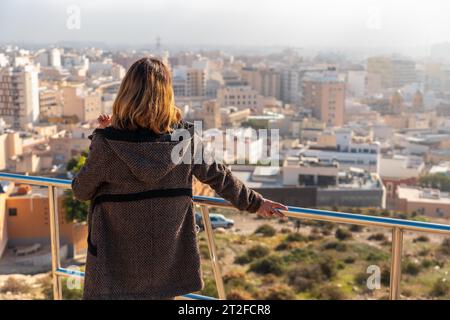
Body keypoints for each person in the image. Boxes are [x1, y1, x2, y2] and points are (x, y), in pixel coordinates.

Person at [71, 57, 287, 300]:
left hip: (115, 261)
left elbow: (81, 190)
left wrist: (101, 138)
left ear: (126, 93)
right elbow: (219, 176)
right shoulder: (183, 141)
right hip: (164, 258)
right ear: (167, 94)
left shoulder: (109, 144)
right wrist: (257, 203)